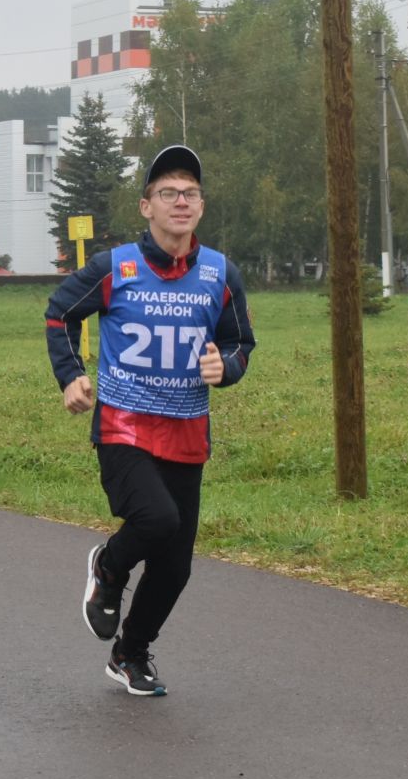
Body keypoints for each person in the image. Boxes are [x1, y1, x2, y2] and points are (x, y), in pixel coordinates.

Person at [45, 144, 255, 696]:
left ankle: (130, 653)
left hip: (187, 434)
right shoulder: (116, 268)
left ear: (201, 207)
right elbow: (60, 313)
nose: (179, 202)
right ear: (146, 207)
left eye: (189, 193)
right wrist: (71, 375)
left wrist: (225, 366)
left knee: (175, 568)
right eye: (168, 193)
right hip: (124, 427)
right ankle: (109, 568)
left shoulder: (219, 273)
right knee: (156, 521)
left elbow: (240, 343)